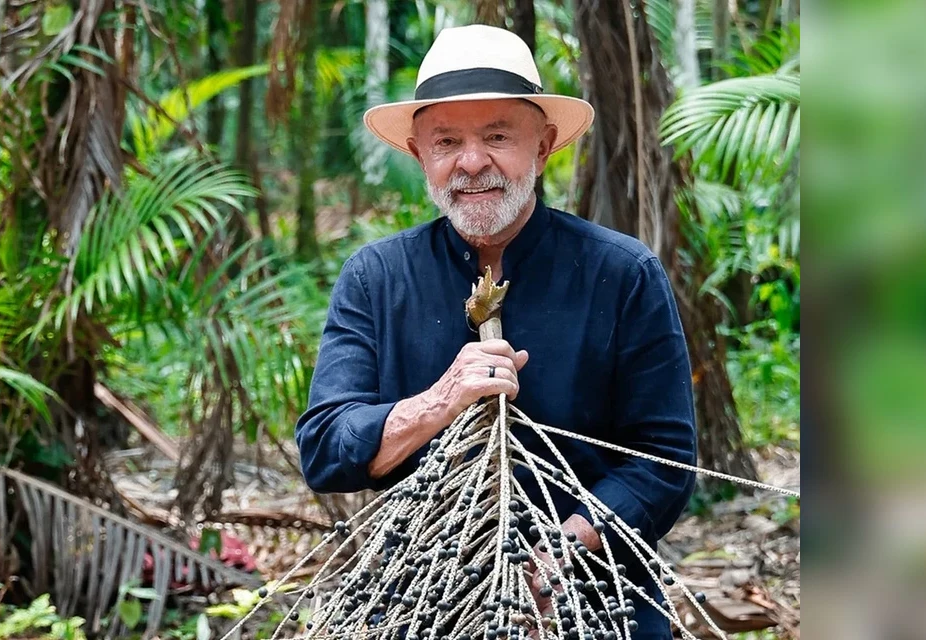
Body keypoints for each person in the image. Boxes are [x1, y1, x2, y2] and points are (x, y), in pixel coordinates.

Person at [294, 24, 697, 638]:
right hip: (425, 601)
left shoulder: (624, 273)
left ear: (545, 146)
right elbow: (326, 448)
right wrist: (437, 402)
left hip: (595, 603)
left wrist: (554, 562)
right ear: (418, 154)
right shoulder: (376, 277)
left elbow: (663, 463)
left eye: (498, 136)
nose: (472, 161)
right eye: (447, 140)